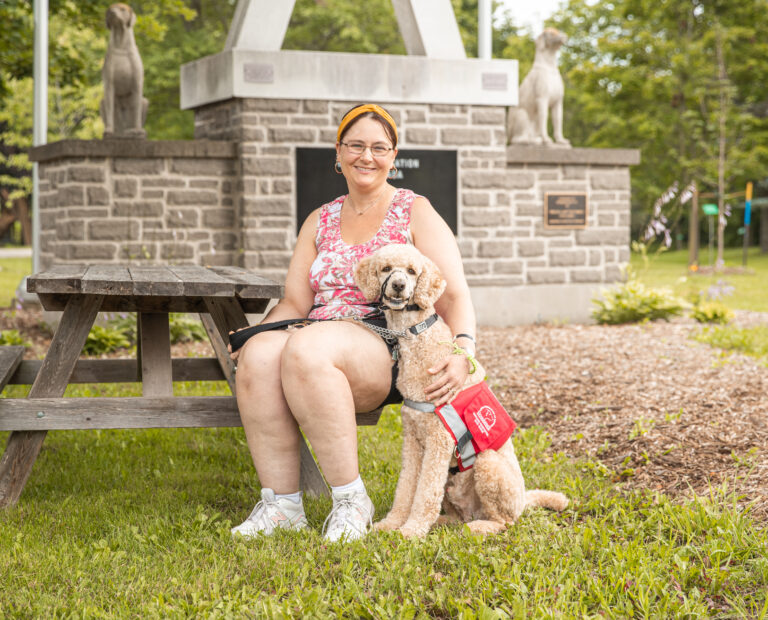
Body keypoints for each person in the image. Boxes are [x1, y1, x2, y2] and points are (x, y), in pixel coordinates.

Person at [229, 103, 477, 542]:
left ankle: (350, 500)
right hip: (316, 332)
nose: (367, 156)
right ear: (338, 152)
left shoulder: (413, 209)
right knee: (259, 357)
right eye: (356, 145)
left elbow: (454, 292)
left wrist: (463, 352)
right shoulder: (318, 220)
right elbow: (294, 302)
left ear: (394, 156)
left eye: (379, 147)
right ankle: (282, 505)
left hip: (383, 338)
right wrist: (256, 332)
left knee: (309, 347)